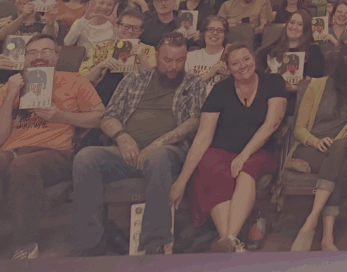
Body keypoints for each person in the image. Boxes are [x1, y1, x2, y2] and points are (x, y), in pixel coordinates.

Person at [71, 33, 204, 255]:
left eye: (180, 60)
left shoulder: (194, 83)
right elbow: (109, 116)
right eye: (167, 60)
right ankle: (91, 241)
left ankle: (155, 241)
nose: (173, 67)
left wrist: (159, 142)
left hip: (169, 152)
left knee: (158, 157)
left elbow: (195, 121)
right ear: (156, 56)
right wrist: (122, 137)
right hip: (126, 152)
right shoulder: (134, 78)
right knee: (85, 158)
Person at [169, 43, 288, 253]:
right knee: (209, 167)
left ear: (254, 59)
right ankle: (230, 241)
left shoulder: (273, 82)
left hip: (259, 151)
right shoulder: (220, 90)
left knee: (246, 169)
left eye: (246, 59)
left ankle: (229, 239)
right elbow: (203, 136)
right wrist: (181, 181)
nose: (242, 66)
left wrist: (244, 154)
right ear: (227, 67)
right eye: (235, 63)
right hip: (222, 149)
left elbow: (272, 123)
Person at [0, 34, 105, 260]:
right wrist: (10, 96)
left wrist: (61, 116)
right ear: (24, 58)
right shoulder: (10, 86)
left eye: (46, 51)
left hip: (54, 152)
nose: (39, 57)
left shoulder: (75, 81)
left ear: (57, 56)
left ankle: (25, 244)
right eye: (32, 52)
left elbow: (100, 117)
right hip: (11, 150)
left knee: (22, 166)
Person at [285, 42, 347, 252]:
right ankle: (327, 238)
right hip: (311, 148)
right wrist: (315, 141)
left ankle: (311, 221)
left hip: (346, 147)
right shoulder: (316, 86)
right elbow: (299, 129)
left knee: (340, 147)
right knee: (340, 167)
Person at [79, 9, 158, 104]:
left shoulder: (148, 50)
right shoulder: (100, 48)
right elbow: (83, 81)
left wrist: (142, 58)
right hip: (99, 97)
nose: (130, 31)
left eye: (135, 28)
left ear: (141, 31)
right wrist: (100, 66)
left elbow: (154, 82)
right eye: (126, 26)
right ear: (117, 26)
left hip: (134, 97)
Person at [186, 16, 230, 96]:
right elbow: (184, 86)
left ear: (225, 35)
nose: (215, 33)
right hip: (193, 99)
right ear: (203, 33)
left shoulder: (230, 57)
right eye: (210, 29)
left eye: (219, 30)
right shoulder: (190, 56)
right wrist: (209, 74)